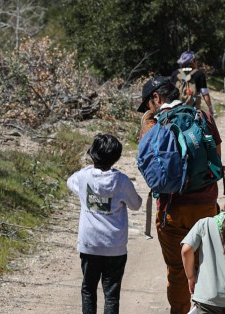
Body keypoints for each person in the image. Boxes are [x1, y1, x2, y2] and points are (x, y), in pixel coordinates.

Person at [136, 77, 223, 314]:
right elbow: (217, 159)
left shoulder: (153, 124)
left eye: (148, 104)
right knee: (207, 265)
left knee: (177, 269)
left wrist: (146, 123)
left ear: (156, 98)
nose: (147, 110)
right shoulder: (201, 117)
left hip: (171, 209)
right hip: (205, 207)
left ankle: (181, 311)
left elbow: (147, 166)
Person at [67, 134, 143, 314]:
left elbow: (70, 182)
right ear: (116, 157)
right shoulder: (122, 181)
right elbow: (136, 205)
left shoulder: (83, 176)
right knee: (111, 294)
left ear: (93, 154)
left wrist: (88, 196)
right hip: (115, 247)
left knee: (88, 289)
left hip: (89, 245)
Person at [172, 50, 214, 118]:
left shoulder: (175, 74)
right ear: (192, 61)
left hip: (178, 110)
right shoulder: (199, 74)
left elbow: (171, 93)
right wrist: (210, 107)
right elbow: (204, 93)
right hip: (194, 110)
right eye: (195, 60)